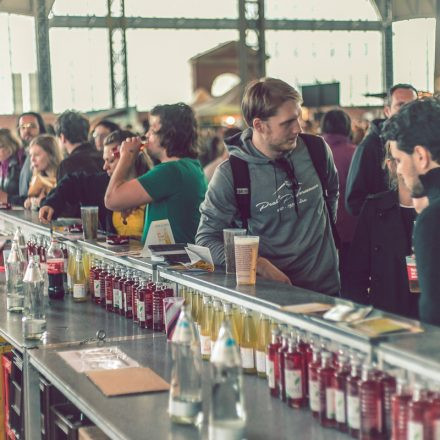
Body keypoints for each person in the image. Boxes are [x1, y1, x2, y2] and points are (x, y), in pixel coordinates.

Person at [196, 78, 340, 295]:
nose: (298, 128)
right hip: (270, 295)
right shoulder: (231, 175)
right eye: (287, 123)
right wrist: (258, 264)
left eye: (298, 118)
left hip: (326, 289)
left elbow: (332, 194)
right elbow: (206, 240)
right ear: (259, 125)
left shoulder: (316, 150)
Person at [104, 103, 207, 244]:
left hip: (171, 262)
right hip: (177, 260)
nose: (146, 135)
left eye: (152, 130)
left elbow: (111, 200)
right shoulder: (190, 165)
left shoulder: (170, 171)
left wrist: (126, 156)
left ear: (170, 133)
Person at [381, 98, 440, 326]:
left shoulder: (432, 220)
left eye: (399, 160)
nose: (399, 170)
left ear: (421, 156)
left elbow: (434, 317)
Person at [343, 143, 418, 319]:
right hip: (384, 319)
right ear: (391, 164)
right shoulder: (375, 208)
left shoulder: (432, 211)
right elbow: (355, 276)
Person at [39, 130, 149, 238]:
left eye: (110, 161)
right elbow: (72, 182)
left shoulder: (150, 184)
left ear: (128, 157)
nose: (105, 167)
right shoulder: (102, 183)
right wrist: (51, 203)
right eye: (104, 161)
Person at [345, 84, 418, 216]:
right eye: (400, 105)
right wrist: (385, 218)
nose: (408, 111)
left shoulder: (421, 142)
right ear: (387, 111)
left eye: (412, 105)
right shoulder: (369, 146)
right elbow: (354, 202)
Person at [320, 109, 357, 289]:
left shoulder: (312, 155)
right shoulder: (355, 153)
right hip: (352, 229)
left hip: (321, 231)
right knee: (350, 279)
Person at [55, 110, 104, 216]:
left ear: (62, 137)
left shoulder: (67, 164)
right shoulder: (103, 157)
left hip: (82, 226)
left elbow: (66, 205)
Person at [24, 135, 62, 210]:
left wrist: (42, 202)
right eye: (31, 155)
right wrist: (31, 202)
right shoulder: (36, 178)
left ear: (51, 155)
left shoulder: (63, 177)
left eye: (37, 155)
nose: (32, 159)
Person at [16, 112, 47, 200]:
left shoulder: (47, 155)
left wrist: (7, 198)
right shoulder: (25, 154)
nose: (27, 131)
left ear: (40, 128)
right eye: (23, 127)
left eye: (32, 126)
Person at [0, 129, 22, 204]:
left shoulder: (21, 161)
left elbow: (28, 197)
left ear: (10, 145)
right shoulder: (2, 164)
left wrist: (8, 198)